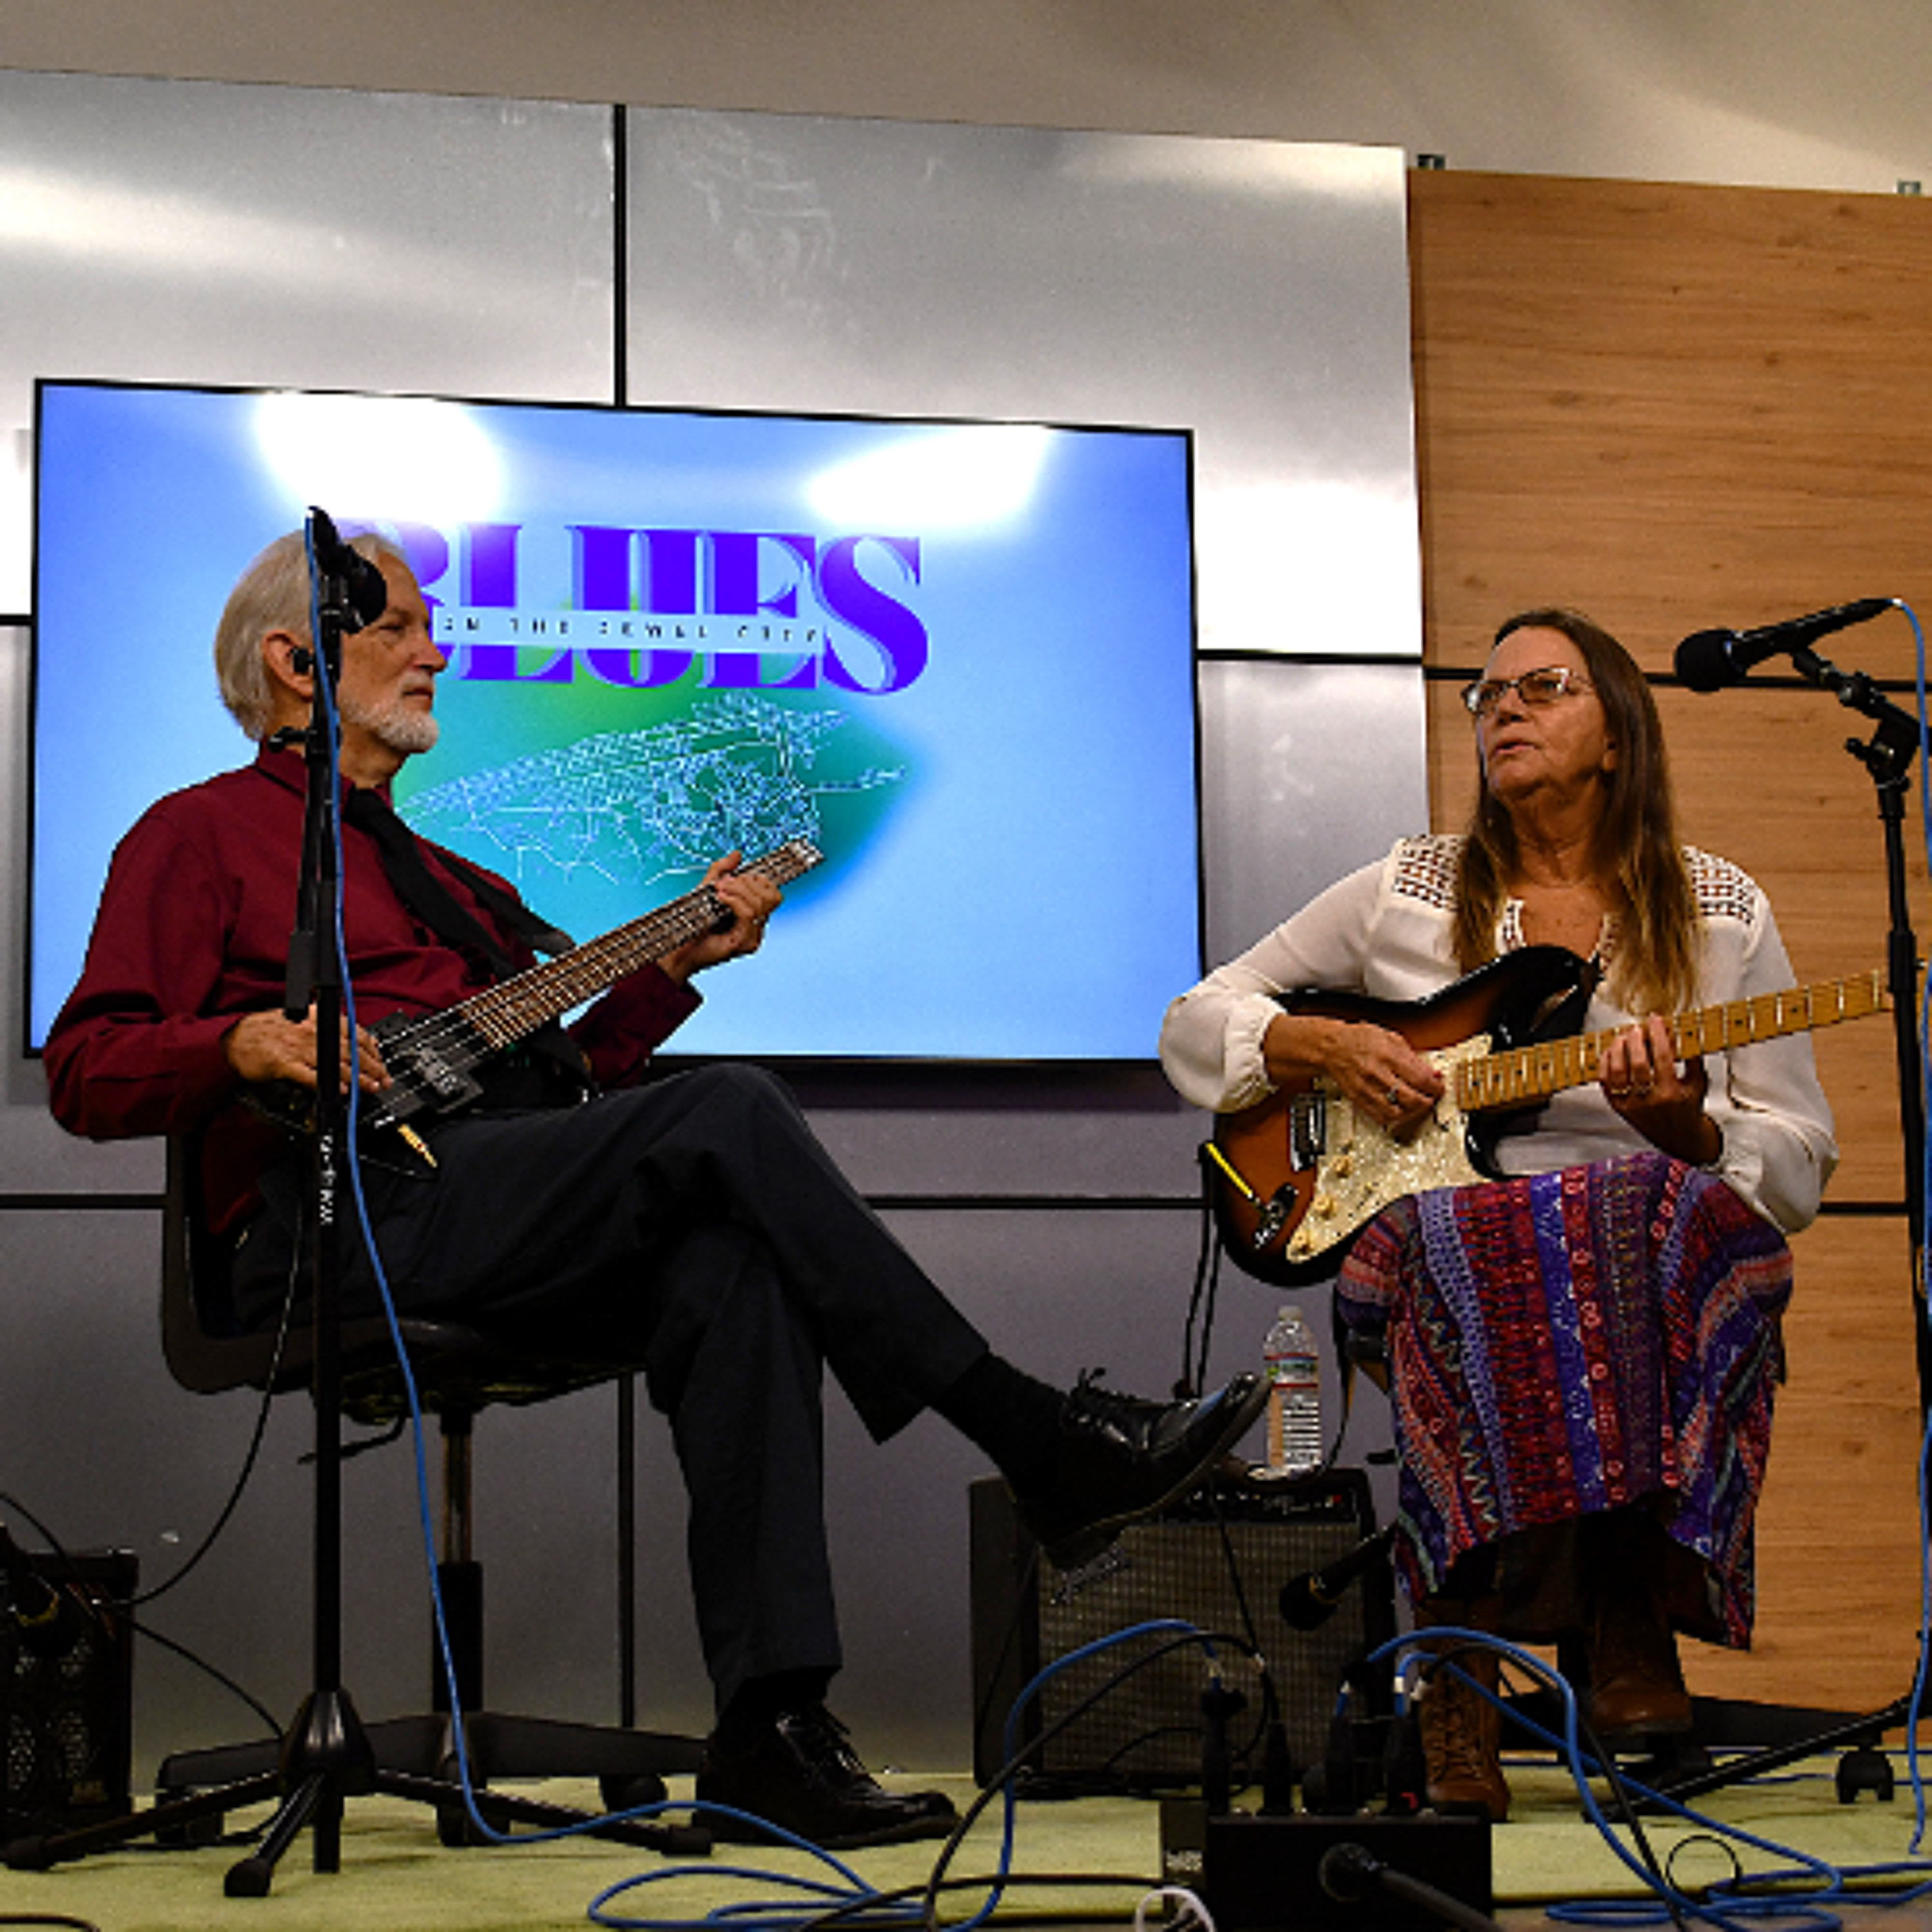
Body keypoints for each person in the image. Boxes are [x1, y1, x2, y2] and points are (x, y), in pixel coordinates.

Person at [44, 527, 1267, 1852]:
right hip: (329, 1228)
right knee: (729, 1107)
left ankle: (769, 1731)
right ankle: (1039, 1440)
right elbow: (87, 1069)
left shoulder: (459, 887)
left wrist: (674, 970)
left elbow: (565, 1089)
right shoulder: (195, 836)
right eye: (398, 625)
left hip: (477, 1200)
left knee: (731, 1267)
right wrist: (237, 1042)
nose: (436, 652)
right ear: (299, 661)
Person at [1159, 608, 1837, 1821]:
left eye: (1544, 687)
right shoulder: (1409, 889)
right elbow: (1197, 1018)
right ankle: (1462, 1663)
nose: (1505, 708)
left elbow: (1798, 1159)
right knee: (1470, 1239)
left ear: (1617, 735)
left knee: (1633, 1207)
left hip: (1648, 1230)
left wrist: (1685, 1128)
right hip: (1442, 1230)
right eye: (1488, 694)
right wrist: (1327, 1046)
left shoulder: (1719, 907)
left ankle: (1621, 1613)